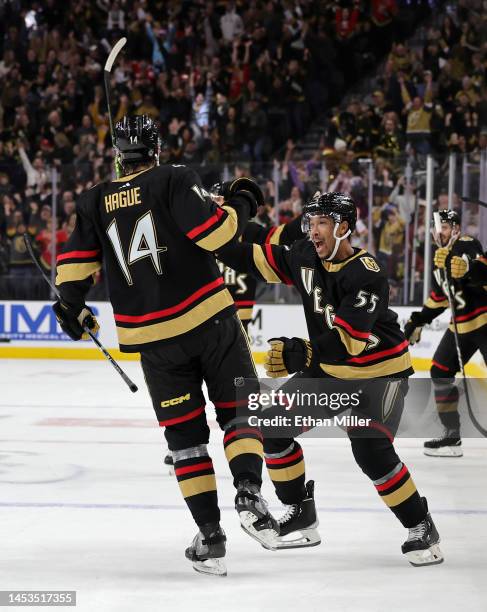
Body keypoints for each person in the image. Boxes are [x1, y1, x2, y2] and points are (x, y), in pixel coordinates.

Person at [52, 115, 279, 577]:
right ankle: (250, 490)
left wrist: (72, 310)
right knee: (239, 412)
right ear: (155, 149)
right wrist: (241, 200)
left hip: (154, 342)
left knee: (186, 440)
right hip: (211, 321)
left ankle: (211, 534)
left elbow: (73, 272)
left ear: (118, 154)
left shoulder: (93, 199)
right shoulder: (175, 178)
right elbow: (217, 234)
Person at [217, 192, 444, 566]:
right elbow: (252, 256)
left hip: (379, 374)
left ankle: (421, 525)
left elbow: (351, 343)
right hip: (331, 373)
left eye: (323, 223)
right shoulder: (305, 254)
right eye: (311, 222)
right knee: (272, 426)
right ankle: (300, 512)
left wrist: (300, 353)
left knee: (371, 452)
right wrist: (205, 233)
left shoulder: (367, 273)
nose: (314, 231)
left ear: (344, 227)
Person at [404, 210, 486, 457]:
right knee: (439, 370)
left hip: (484, 321)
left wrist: (467, 268)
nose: (442, 232)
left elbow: (480, 269)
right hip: (460, 327)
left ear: (457, 229)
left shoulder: (467, 244)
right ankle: (452, 436)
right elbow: (440, 298)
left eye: (447, 227)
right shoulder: (439, 260)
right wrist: (418, 320)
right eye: (438, 228)